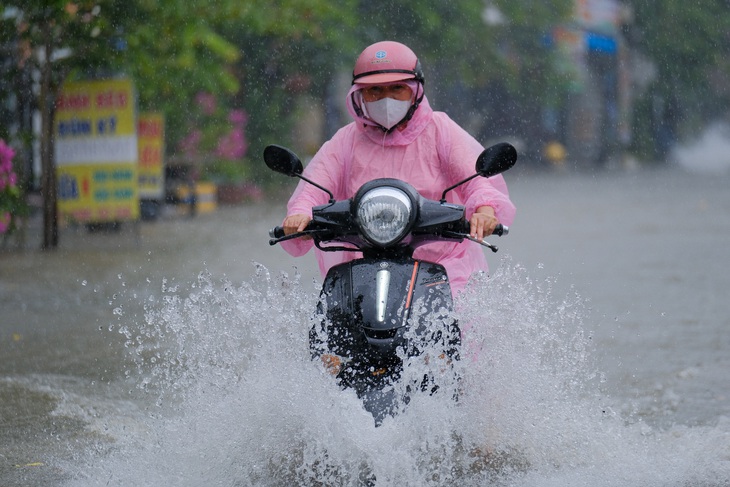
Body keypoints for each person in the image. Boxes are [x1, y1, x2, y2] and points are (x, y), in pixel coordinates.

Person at [280, 40, 516, 294]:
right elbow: (314, 185)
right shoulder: (345, 140)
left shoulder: (441, 130)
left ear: (415, 91)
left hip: (442, 266)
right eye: (375, 91)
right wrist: (301, 214)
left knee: (454, 324)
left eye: (396, 89)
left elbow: (475, 179)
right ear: (360, 95)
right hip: (364, 266)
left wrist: (484, 210)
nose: (386, 99)